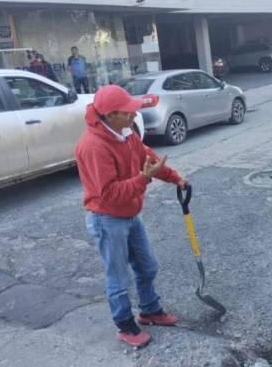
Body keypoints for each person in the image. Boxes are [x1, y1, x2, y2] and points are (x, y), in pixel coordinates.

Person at [75, 85, 187, 348]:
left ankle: (149, 310)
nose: (134, 115)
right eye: (128, 112)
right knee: (118, 277)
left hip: (130, 214)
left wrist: (175, 178)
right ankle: (125, 325)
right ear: (111, 114)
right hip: (107, 218)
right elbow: (110, 194)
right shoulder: (93, 146)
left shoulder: (126, 133)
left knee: (147, 265)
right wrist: (143, 179)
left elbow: (149, 159)